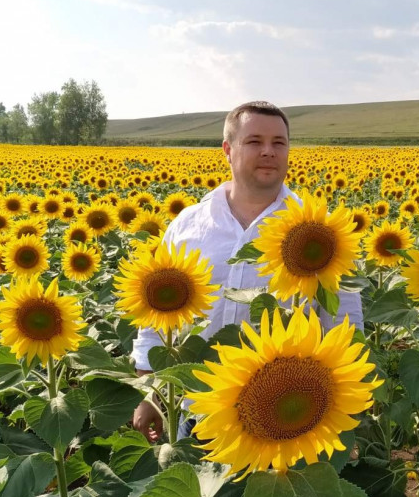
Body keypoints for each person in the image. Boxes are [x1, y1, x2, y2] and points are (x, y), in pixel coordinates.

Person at [131, 100, 364, 443]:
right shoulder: (190, 226)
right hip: (198, 405)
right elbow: (156, 316)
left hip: (289, 414)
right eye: (254, 142)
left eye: (279, 143)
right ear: (228, 149)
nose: (268, 152)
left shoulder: (318, 231)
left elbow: (343, 321)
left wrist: (345, 413)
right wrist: (150, 390)